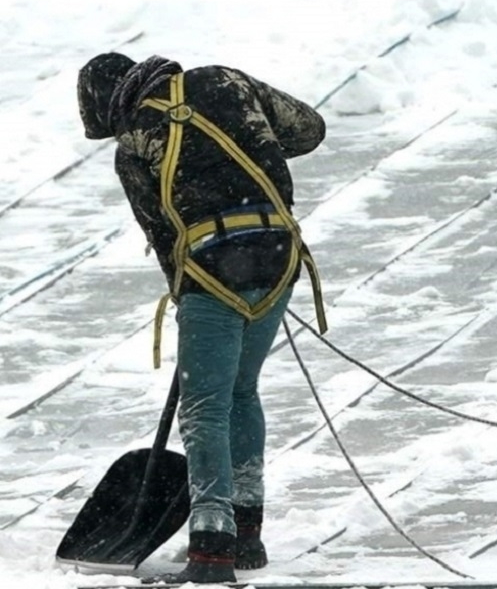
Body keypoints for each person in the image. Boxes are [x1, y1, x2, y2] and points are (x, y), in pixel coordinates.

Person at [77, 53, 328, 583]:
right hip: (279, 252)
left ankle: (212, 549)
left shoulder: (134, 145)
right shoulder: (227, 81)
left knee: (205, 407)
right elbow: (308, 130)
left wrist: (191, 300)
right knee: (241, 392)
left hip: (213, 269)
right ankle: (248, 533)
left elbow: (165, 238)